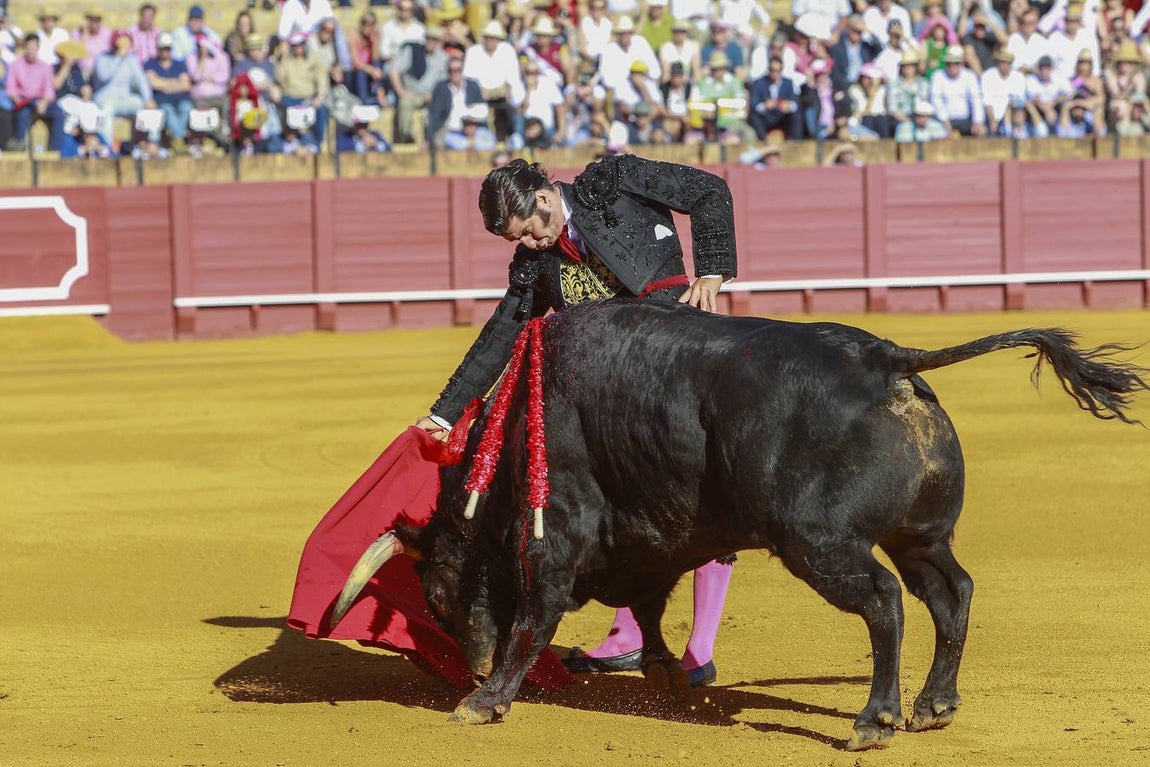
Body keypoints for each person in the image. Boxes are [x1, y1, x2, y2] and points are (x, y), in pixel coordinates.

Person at [144, 34, 193, 153]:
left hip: (181, 98)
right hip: (162, 99)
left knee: (186, 108)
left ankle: (177, 140)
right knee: (168, 111)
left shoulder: (179, 63)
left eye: (167, 49)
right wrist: (175, 83)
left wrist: (164, 84)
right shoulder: (150, 63)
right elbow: (152, 83)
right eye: (162, 48)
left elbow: (186, 84)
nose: (165, 52)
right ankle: (179, 140)